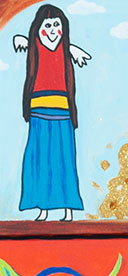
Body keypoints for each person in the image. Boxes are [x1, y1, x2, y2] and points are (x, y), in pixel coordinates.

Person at [13, 4, 90, 221]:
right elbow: (27, 43)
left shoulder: (66, 50)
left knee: (64, 159)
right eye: (48, 25)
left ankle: (68, 209)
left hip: (63, 113)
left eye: (57, 25)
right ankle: (43, 209)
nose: (53, 30)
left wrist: (73, 49)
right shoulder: (34, 47)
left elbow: (67, 49)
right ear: (38, 27)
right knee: (39, 160)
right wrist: (20, 39)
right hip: (38, 112)